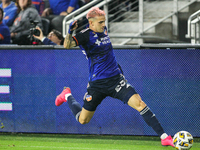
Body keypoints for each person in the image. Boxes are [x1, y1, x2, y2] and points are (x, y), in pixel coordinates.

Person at [55, 7, 174, 147]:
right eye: (100, 22)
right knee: (83, 120)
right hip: (97, 85)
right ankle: (67, 95)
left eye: (104, 21)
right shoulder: (85, 35)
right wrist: (70, 32)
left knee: (140, 104)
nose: (104, 24)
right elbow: (67, 45)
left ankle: (164, 137)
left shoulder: (104, 31)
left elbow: (109, 54)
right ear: (91, 23)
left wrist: (119, 69)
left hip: (116, 81)